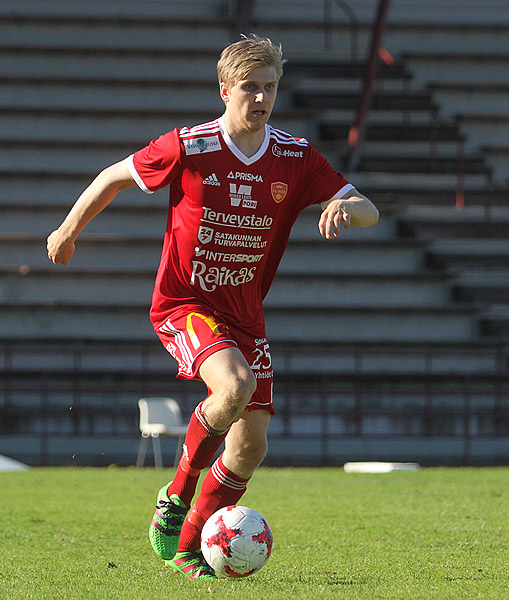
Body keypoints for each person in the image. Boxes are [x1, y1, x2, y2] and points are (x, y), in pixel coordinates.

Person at [47, 35, 378, 578]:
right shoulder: (191, 146)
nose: (262, 98)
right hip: (185, 302)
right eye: (251, 87)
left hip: (246, 315)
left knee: (250, 446)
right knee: (235, 387)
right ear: (225, 90)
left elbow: (369, 211)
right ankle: (175, 496)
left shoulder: (294, 157)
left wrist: (347, 206)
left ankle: (188, 552)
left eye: (270, 87)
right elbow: (112, 175)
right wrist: (67, 230)